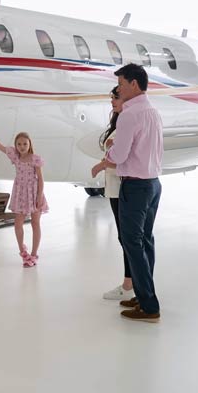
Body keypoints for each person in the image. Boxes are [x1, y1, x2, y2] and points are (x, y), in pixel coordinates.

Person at [92, 63, 163, 323]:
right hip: (153, 183)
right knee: (145, 242)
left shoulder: (130, 115)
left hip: (135, 186)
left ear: (134, 84)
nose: (118, 90)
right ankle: (145, 295)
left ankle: (149, 306)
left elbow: (120, 155)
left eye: (121, 85)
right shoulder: (153, 112)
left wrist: (105, 159)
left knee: (132, 243)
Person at [0, 127, 48, 267]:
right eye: (19, 144)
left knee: (35, 223)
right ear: (16, 145)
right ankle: (23, 250)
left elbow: (41, 179)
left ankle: (34, 254)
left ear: (30, 144)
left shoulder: (35, 159)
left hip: (33, 193)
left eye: (25, 144)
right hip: (20, 193)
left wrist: (39, 196)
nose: (22, 147)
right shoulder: (15, 156)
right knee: (18, 223)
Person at [91, 87, 135, 301]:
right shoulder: (118, 121)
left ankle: (129, 285)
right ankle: (130, 282)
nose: (112, 101)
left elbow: (123, 155)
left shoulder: (128, 121)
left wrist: (102, 163)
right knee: (123, 237)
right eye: (111, 97)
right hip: (114, 187)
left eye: (116, 97)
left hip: (122, 186)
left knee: (127, 237)